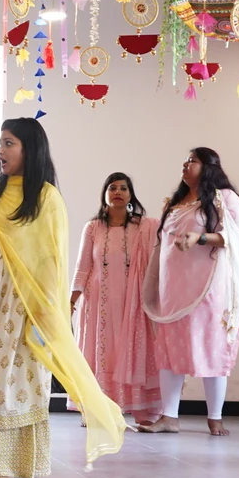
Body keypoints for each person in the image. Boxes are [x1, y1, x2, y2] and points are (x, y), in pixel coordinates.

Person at [0, 118, 125, 478]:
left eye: (9, 143)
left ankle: (12, 464)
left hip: (21, 301)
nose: (0, 150)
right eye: (0, 143)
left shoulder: (46, 198)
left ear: (29, 149)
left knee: (11, 377)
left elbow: (52, 262)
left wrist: (47, 315)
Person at [141, 148, 239, 436]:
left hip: (209, 290)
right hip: (173, 290)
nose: (185, 164)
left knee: (212, 348)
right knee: (168, 350)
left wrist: (200, 238)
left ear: (209, 167)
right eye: (185, 160)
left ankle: (215, 417)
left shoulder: (224, 198)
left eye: (193, 161)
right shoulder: (176, 202)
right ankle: (169, 417)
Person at [70, 173, 162, 423]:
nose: (118, 192)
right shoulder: (93, 228)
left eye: (123, 188)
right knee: (101, 352)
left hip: (133, 303)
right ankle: (98, 410)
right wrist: (71, 301)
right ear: (105, 194)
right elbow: (83, 267)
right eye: (112, 188)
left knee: (131, 349)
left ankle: (142, 409)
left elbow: (165, 246)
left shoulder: (145, 227)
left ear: (131, 195)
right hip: (99, 302)